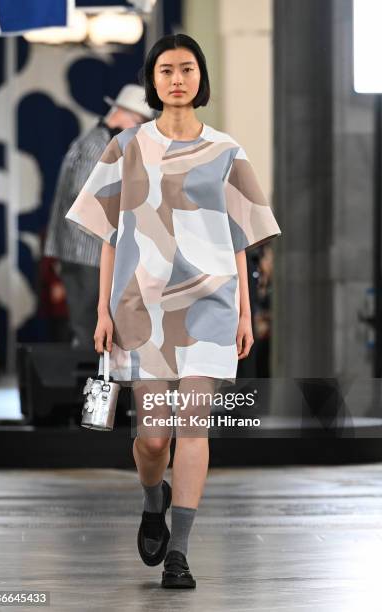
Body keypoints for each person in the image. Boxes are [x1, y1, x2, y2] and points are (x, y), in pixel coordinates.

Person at [65, 33, 281, 588]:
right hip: (140, 307)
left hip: (210, 303)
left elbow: (240, 237)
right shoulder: (126, 146)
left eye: (187, 69)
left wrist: (242, 311)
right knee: (154, 437)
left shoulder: (228, 151)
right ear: (153, 81)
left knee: (194, 428)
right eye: (166, 70)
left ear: (200, 79)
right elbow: (109, 232)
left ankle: (180, 554)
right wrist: (102, 311)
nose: (177, 79)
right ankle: (150, 496)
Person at [44, 85, 154, 347]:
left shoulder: (95, 141)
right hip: (86, 251)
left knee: (92, 324)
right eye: (137, 123)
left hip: (86, 250)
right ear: (123, 114)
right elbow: (83, 196)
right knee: (88, 326)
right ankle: (88, 386)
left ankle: (92, 383)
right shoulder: (96, 146)